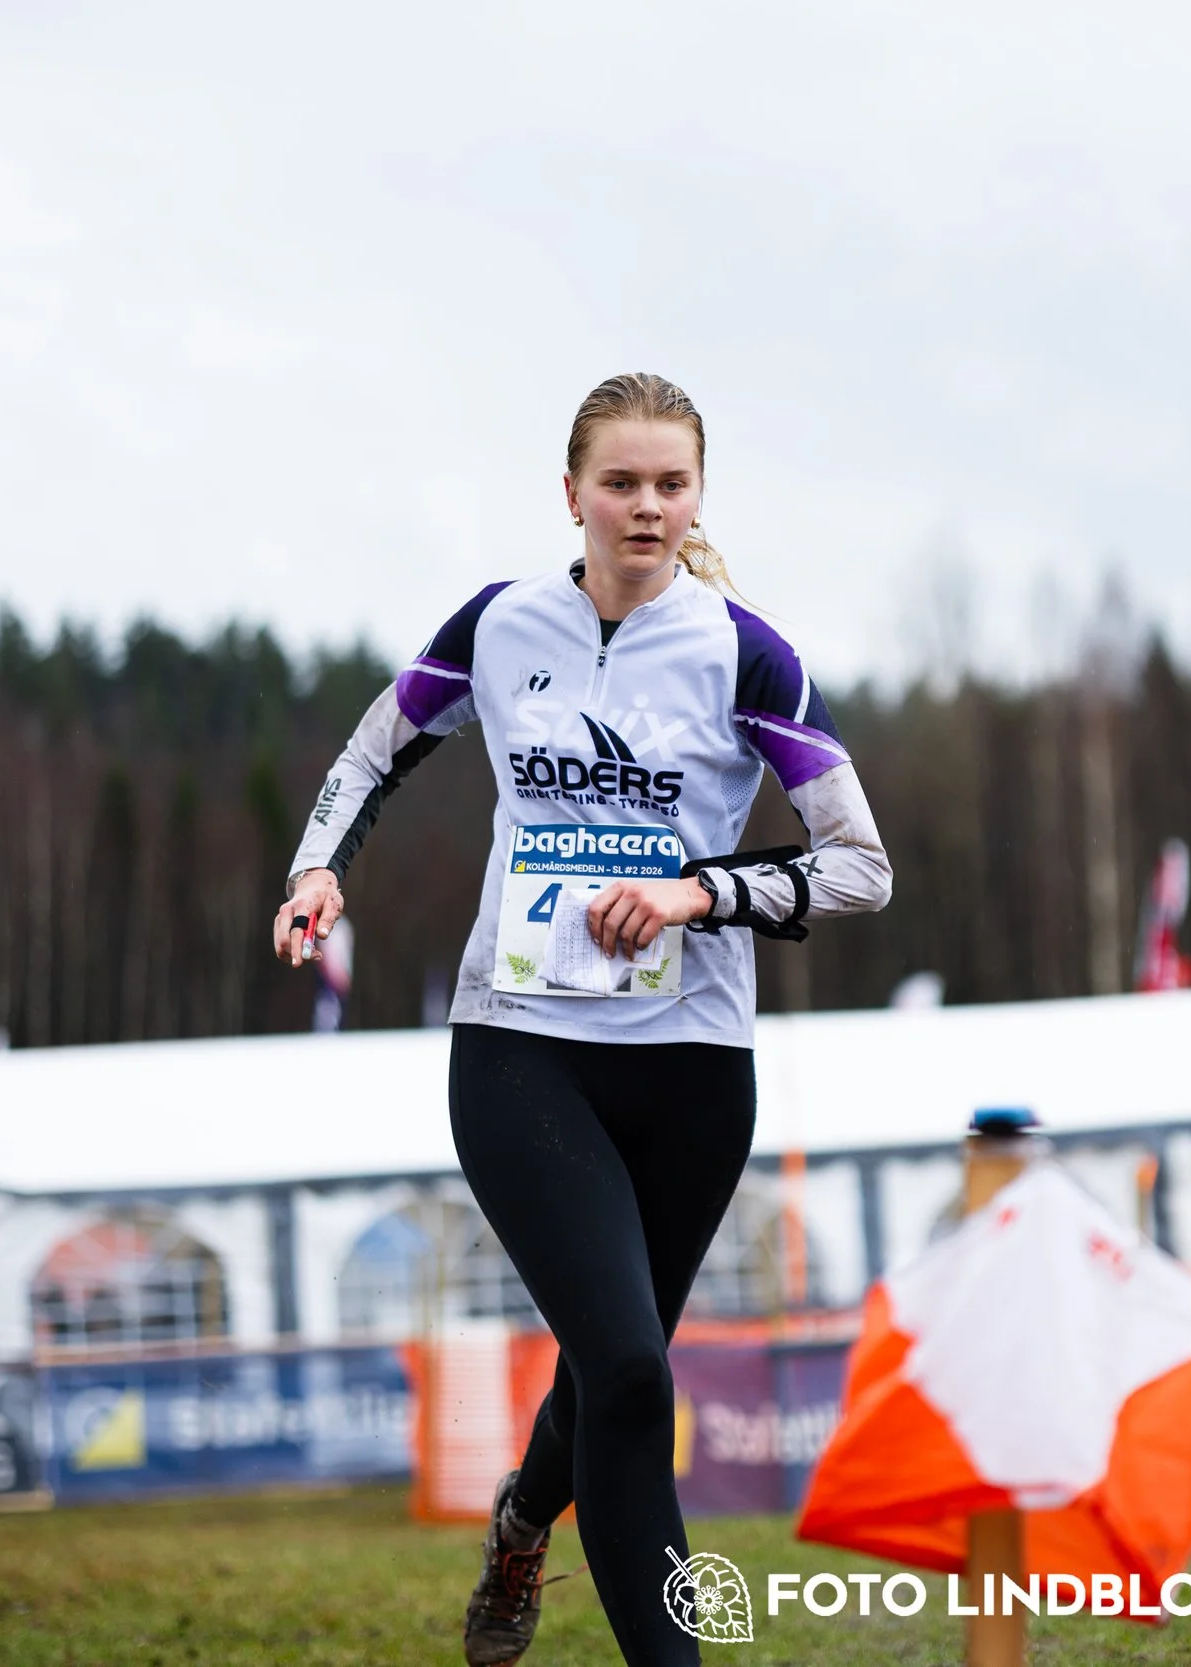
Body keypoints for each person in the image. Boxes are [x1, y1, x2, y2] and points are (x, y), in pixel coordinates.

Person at [273, 374, 891, 1667]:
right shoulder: (503, 625)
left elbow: (861, 867)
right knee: (629, 1372)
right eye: (622, 482)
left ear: (699, 498)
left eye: (672, 484)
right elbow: (375, 747)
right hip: (521, 1052)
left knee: (614, 1367)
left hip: (692, 1068)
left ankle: (520, 1520)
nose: (647, 506)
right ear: (573, 495)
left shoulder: (747, 653)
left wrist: (697, 891)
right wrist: (318, 867)